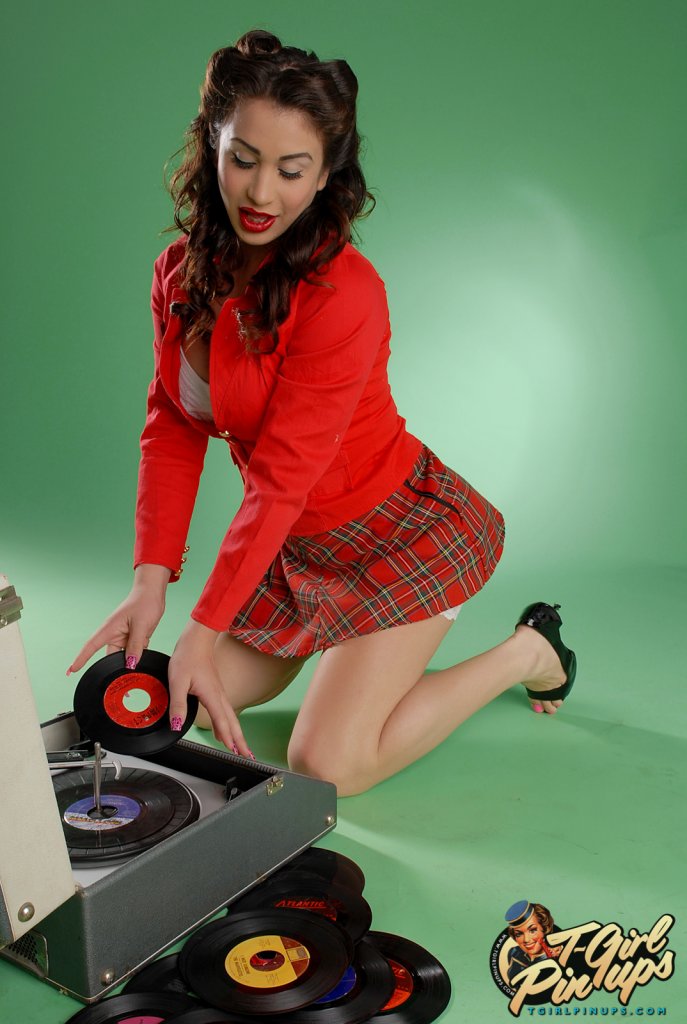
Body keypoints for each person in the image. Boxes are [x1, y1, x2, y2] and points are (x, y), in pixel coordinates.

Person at [68, 29, 577, 797]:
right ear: (211, 144)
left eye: (290, 169)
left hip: (398, 534)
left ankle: (528, 651)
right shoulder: (177, 273)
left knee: (327, 765)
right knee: (192, 702)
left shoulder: (344, 292)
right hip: (296, 551)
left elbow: (280, 478)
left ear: (325, 173)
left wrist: (203, 626)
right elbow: (171, 424)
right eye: (243, 159)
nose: (260, 194)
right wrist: (150, 584)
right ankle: (340, 655)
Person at [504, 901, 562, 986]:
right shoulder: (514, 952)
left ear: (544, 929)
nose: (526, 940)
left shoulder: (555, 957)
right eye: (519, 934)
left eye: (532, 930)